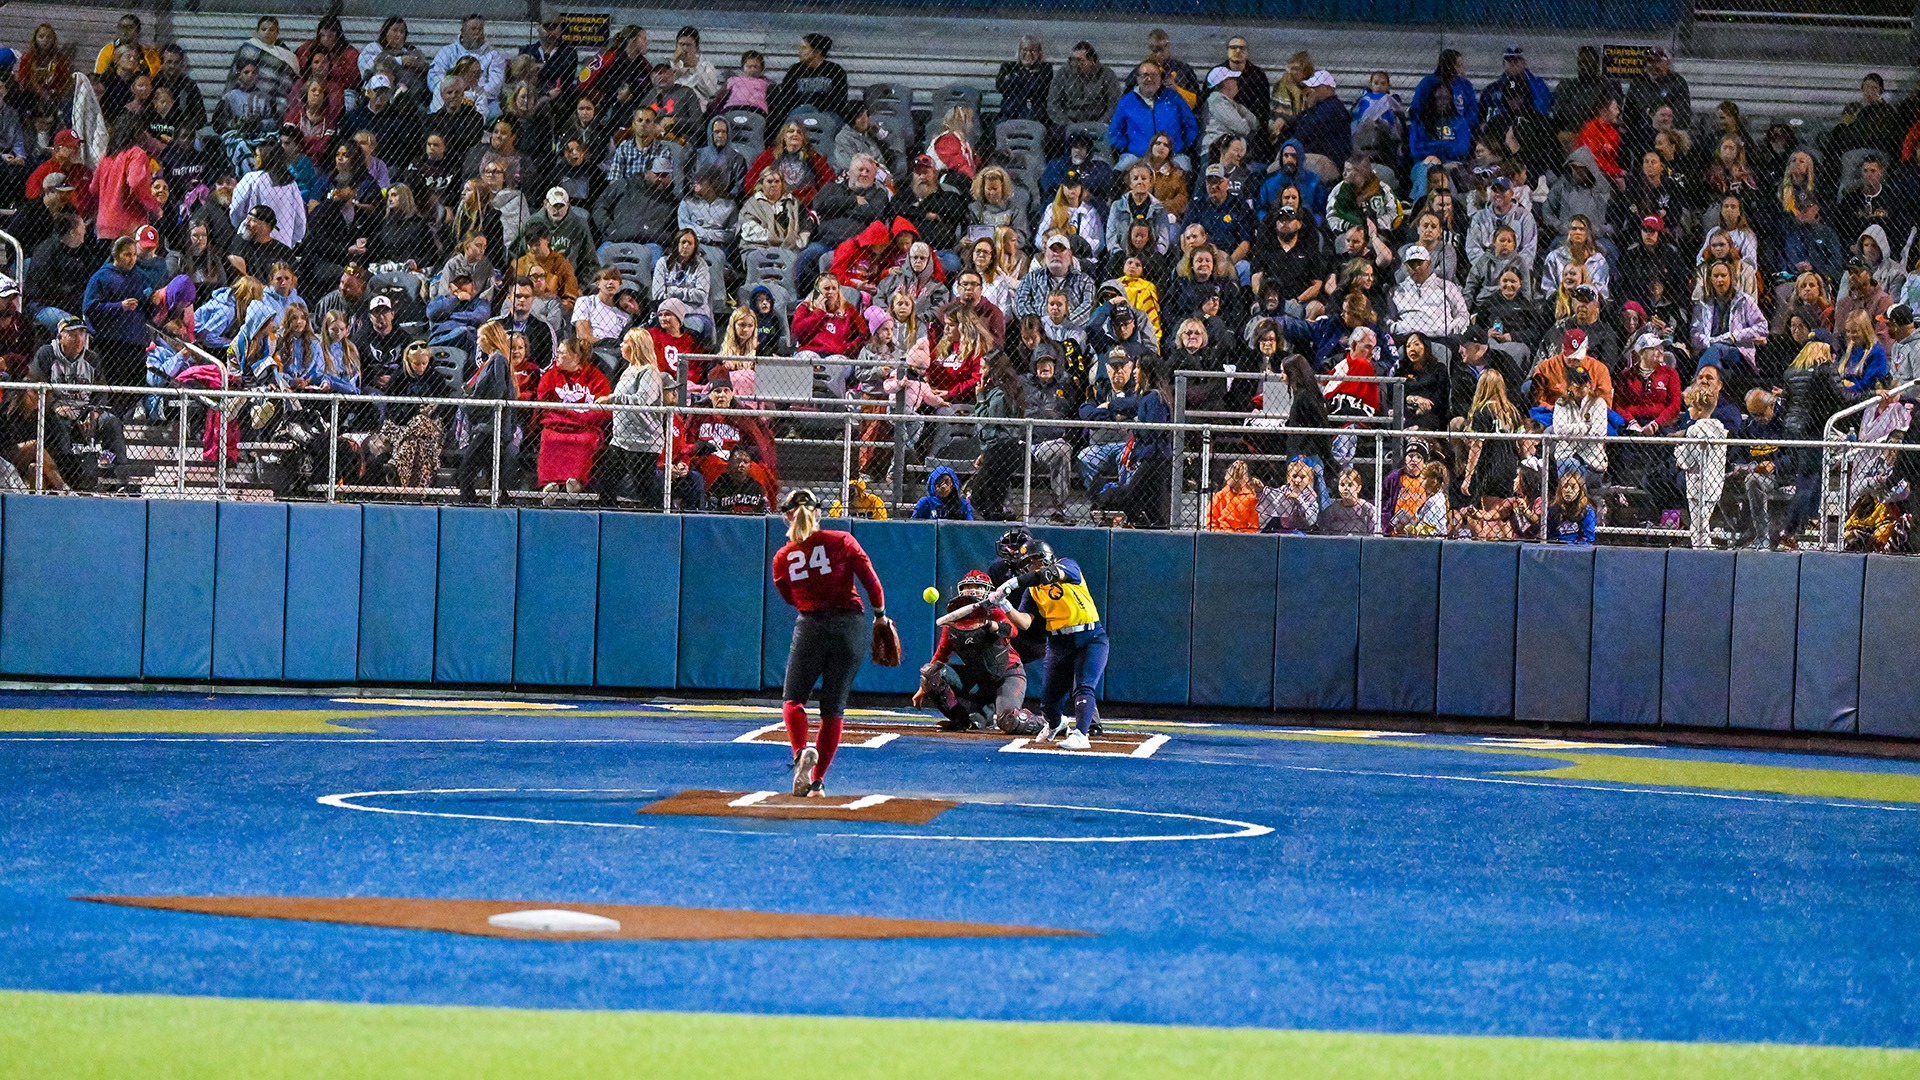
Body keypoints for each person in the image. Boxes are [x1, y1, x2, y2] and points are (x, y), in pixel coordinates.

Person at [772, 488, 889, 796]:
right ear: (819, 514)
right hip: (849, 625)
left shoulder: (783, 557)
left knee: (793, 699)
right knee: (833, 709)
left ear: (786, 516)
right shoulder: (842, 541)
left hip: (811, 624)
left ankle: (800, 753)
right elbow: (871, 582)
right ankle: (818, 781)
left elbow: (789, 598)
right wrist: (880, 616)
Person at [1002, 538, 1106, 751]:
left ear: (1044, 558)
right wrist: (1004, 605)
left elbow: (1050, 575)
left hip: (1090, 637)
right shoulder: (1033, 590)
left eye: (1032, 563)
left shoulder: (1067, 565)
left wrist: (1014, 583)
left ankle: (1081, 734)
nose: (1030, 569)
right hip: (1059, 643)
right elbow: (1024, 622)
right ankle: (1056, 723)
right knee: (1049, 702)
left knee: (1084, 686)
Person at [916, 571, 1039, 734]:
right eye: (968, 587)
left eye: (977, 587)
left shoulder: (995, 612)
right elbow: (940, 656)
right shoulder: (953, 622)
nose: (972, 591)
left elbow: (1012, 631)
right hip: (979, 680)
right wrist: (924, 686)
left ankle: (1050, 725)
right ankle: (962, 720)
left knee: (1010, 721)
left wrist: (988, 624)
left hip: (1007, 676)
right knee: (930, 673)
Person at [535, 336, 611, 500]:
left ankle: (575, 482)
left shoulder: (595, 376)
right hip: (558, 426)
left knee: (587, 440)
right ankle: (549, 483)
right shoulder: (551, 375)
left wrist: (568, 415)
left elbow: (603, 409)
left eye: (562, 353)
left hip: (585, 428)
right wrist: (577, 415)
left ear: (575, 357)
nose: (557, 356)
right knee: (548, 437)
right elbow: (544, 402)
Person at [1546, 469, 1596, 544]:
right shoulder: (1554, 508)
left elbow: (1589, 538)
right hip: (1556, 546)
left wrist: (1573, 545)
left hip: (1577, 547)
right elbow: (1549, 533)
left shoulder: (1586, 510)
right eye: (1565, 487)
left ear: (1580, 489)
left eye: (1573, 487)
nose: (1568, 490)